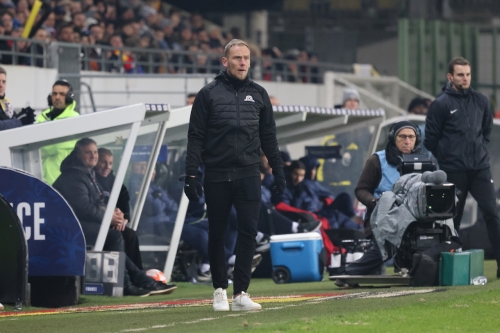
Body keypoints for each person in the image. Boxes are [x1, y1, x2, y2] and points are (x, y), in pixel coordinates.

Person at [183, 39, 285, 312]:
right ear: (225, 61)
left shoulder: (260, 94)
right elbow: (195, 137)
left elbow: (269, 137)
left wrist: (279, 170)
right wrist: (190, 174)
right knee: (217, 232)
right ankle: (219, 291)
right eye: (237, 58)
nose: (242, 62)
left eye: (246, 58)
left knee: (249, 232)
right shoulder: (208, 94)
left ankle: (240, 293)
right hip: (216, 174)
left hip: (250, 174)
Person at [53, 138, 177, 296]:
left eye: (95, 152)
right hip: (69, 228)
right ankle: (127, 284)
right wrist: (108, 218)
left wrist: (116, 214)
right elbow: (83, 208)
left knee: (128, 234)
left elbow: (98, 202)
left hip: (83, 223)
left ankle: (141, 281)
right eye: (88, 152)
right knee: (114, 236)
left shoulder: (86, 173)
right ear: (78, 155)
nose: (93, 156)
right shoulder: (73, 176)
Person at [424, 56, 500, 278]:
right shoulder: (440, 104)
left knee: (492, 214)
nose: (465, 78)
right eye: (460, 75)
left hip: (479, 169)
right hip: (453, 170)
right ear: (450, 77)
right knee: (451, 220)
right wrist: (448, 158)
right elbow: (430, 140)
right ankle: (446, 269)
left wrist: (477, 151)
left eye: (467, 74)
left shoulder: (482, 101)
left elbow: (486, 132)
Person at [355, 120, 422, 236]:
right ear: (393, 138)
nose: (407, 141)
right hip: (381, 221)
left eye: (411, 137)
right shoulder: (376, 160)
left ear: (417, 139)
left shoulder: (424, 162)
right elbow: (361, 190)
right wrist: (377, 204)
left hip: (415, 220)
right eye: (402, 137)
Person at [94, 148, 143, 269]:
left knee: (131, 236)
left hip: (115, 223)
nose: (107, 166)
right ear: (95, 162)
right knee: (119, 237)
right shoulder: (91, 179)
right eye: (103, 162)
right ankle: (126, 278)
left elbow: (124, 200)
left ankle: (139, 276)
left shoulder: (114, 180)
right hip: (97, 224)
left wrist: (123, 218)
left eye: (110, 163)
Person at [36, 79, 80, 185]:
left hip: (64, 181)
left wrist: (42, 144)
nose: (57, 97)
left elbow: (51, 147)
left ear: (69, 97)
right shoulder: (42, 117)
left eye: (62, 94)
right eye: (54, 94)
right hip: (41, 179)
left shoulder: (75, 119)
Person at [0, 66, 35, 130]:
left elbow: (13, 123)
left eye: (4, 82)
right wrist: (18, 121)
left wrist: (22, 116)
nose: (1, 85)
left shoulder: (7, 104)